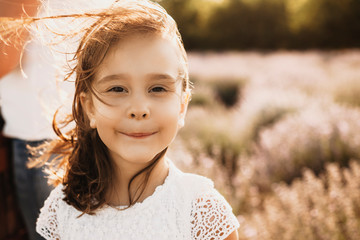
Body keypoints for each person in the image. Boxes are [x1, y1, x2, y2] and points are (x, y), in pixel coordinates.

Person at [3, 0, 240, 239]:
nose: (138, 109)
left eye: (158, 88)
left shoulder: (202, 213)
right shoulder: (62, 211)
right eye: (117, 89)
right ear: (89, 108)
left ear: (182, 106)